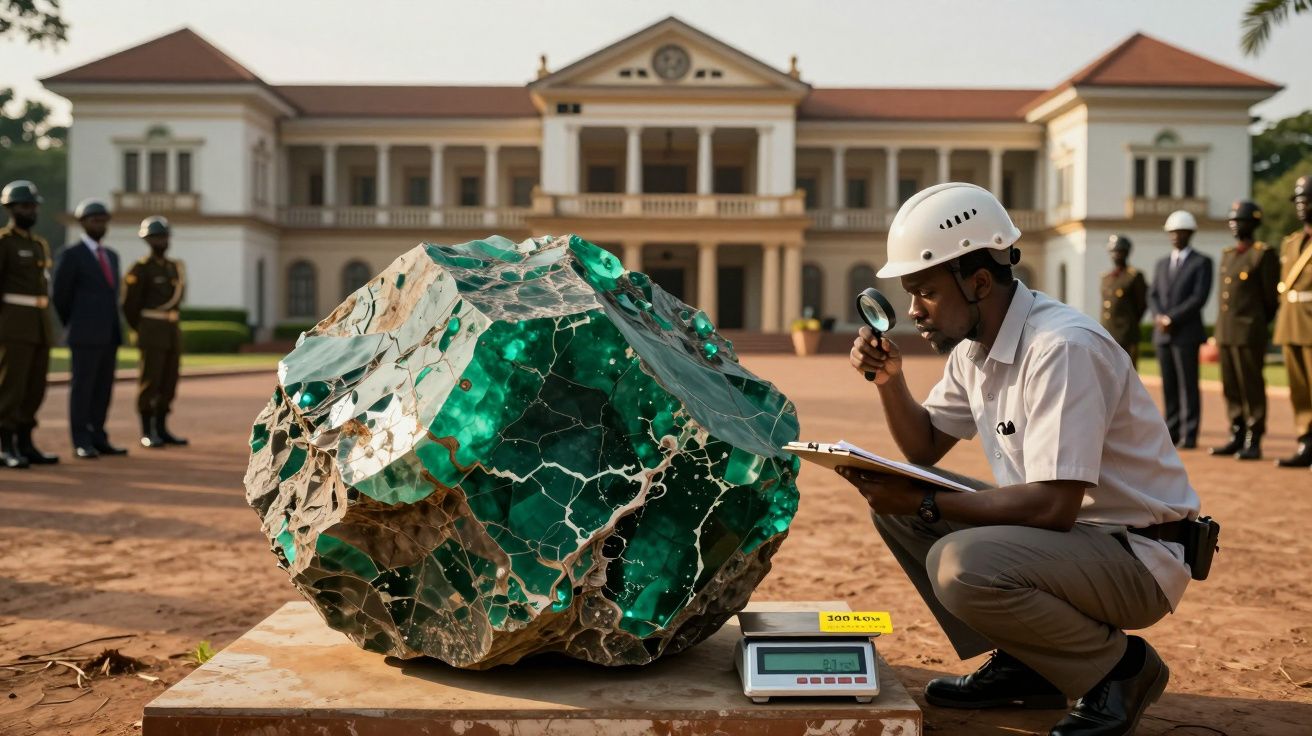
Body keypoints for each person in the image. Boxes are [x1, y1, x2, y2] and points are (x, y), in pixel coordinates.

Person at [846, 182, 1199, 736]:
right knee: (900, 509)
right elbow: (923, 448)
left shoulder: (1061, 347)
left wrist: (927, 502)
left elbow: (1054, 507)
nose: (914, 311)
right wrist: (889, 380)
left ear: (979, 282)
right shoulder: (974, 349)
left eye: (926, 292)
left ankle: (1121, 670)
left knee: (959, 561)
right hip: (1073, 541)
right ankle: (1029, 663)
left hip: (1134, 554)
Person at [52, 198, 129, 459]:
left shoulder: (112, 256)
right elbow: (60, 296)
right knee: (83, 389)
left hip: (109, 333)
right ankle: (81, 439)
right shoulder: (71, 254)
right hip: (84, 334)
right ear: (83, 223)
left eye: (103, 220)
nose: (100, 225)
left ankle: (98, 435)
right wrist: (75, 323)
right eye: (95, 220)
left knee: (103, 389)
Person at [1209, 200, 1280, 460]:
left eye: (1240, 220)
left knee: (1251, 386)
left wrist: (1256, 323)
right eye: (1232, 220)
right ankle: (1236, 433)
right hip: (1226, 331)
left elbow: (1270, 300)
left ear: (1253, 223)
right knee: (1230, 386)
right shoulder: (1228, 254)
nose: (1234, 224)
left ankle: (1254, 437)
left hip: (1249, 331)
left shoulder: (1262, 254)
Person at [0, 180, 58, 468]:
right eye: (25, 206)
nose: (31, 211)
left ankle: (25, 441)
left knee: (35, 387)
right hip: (13, 326)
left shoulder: (39, 245)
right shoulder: (4, 243)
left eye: (33, 206)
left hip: (39, 324)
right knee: (11, 386)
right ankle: (5, 445)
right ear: (10, 209)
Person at [121, 216, 188, 448]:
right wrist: (142, 329)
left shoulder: (173, 268)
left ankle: (161, 427)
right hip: (152, 331)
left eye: (164, 236)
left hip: (171, 331)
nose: (162, 241)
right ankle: (147, 430)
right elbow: (129, 306)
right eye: (157, 237)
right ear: (147, 240)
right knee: (151, 381)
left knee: (169, 381)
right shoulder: (140, 269)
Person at [1149, 211, 1213, 449]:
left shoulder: (1202, 262)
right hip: (1163, 334)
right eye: (1172, 232)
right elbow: (1152, 294)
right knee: (1169, 385)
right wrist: (1158, 316)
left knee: (1188, 385)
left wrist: (1171, 318)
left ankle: (1190, 433)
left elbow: (1199, 297)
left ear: (1190, 233)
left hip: (1186, 333)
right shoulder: (1161, 263)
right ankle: (1172, 431)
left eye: (1181, 232)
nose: (1176, 236)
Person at [1273, 174, 1312, 469]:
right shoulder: (1291, 242)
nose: (1301, 205)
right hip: (1291, 321)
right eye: (1298, 200)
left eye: (1306, 200)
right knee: (1299, 390)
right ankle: (1306, 441)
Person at [1099, 235, 1148, 367]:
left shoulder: (1134, 276)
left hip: (1127, 334)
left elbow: (1142, 305)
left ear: (1126, 253)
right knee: (1108, 371)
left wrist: (1130, 322)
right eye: (1113, 251)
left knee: (1127, 371)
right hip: (1108, 332)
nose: (1115, 255)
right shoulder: (1106, 277)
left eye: (1119, 251)